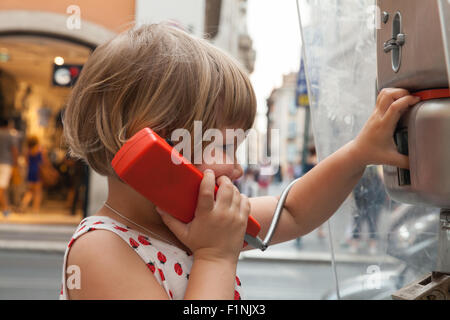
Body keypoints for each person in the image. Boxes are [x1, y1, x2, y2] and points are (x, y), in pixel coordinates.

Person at [60, 23, 420, 300]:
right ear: (151, 146)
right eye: (222, 145)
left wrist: (359, 153)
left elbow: (292, 211)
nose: (236, 167)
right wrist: (215, 256)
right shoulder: (100, 250)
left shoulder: (203, 219)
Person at [349, 165, 387, 255]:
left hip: (370, 199)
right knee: (362, 222)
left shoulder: (374, 169)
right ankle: (363, 244)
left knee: (368, 222)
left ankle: (368, 244)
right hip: (364, 199)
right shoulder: (371, 169)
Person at [20, 136, 43, 213]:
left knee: (30, 191)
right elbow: (43, 162)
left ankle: (24, 203)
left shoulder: (28, 151)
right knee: (37, 192)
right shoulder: (39, 150)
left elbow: (26, 162)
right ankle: (35, 209)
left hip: (30, 171)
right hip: (38, 171)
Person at [0, 117, 18, 216]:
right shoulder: (10, 134)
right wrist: (15, 163)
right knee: (2, 187)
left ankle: (6, 207)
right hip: (6, 163)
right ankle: (5, 208)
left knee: (2, 187)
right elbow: (14, 149)